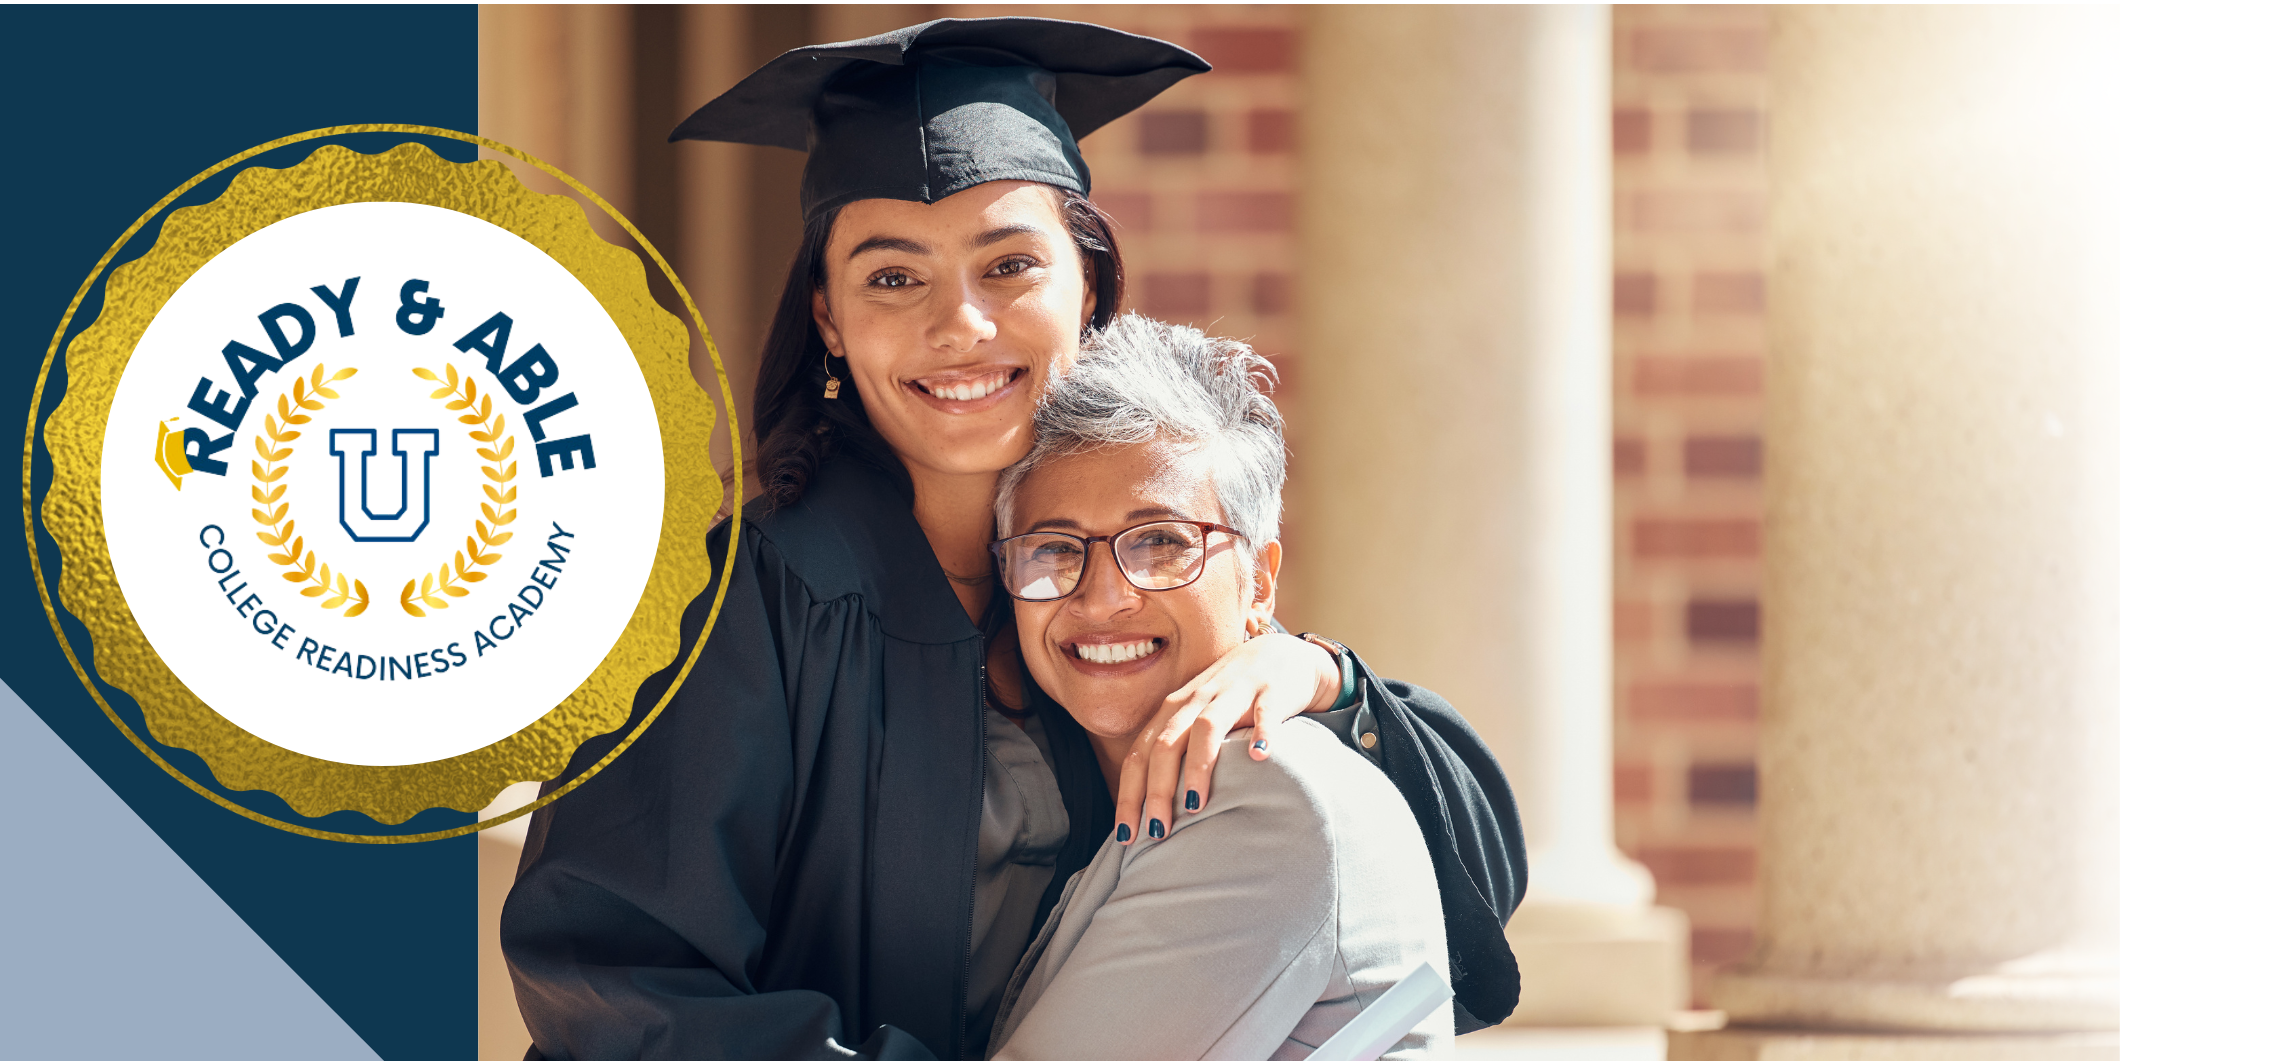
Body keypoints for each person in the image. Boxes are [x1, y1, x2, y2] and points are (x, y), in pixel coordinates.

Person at [503, 18, 1524, 1061]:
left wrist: (1317, 675)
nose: (961, 326)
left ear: (1089, 287)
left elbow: (1458, 881)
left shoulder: (1105, 587)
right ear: (827, 317)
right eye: (892, 278)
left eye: (1008, 266)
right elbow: (611, 974)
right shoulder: (735, 602)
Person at [985, 315, 1483, 1061]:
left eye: (1160, 543)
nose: (1101, 597)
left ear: (1261, 581)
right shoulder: (1071, 786)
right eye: (1054, 549)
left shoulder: (1268, 792)